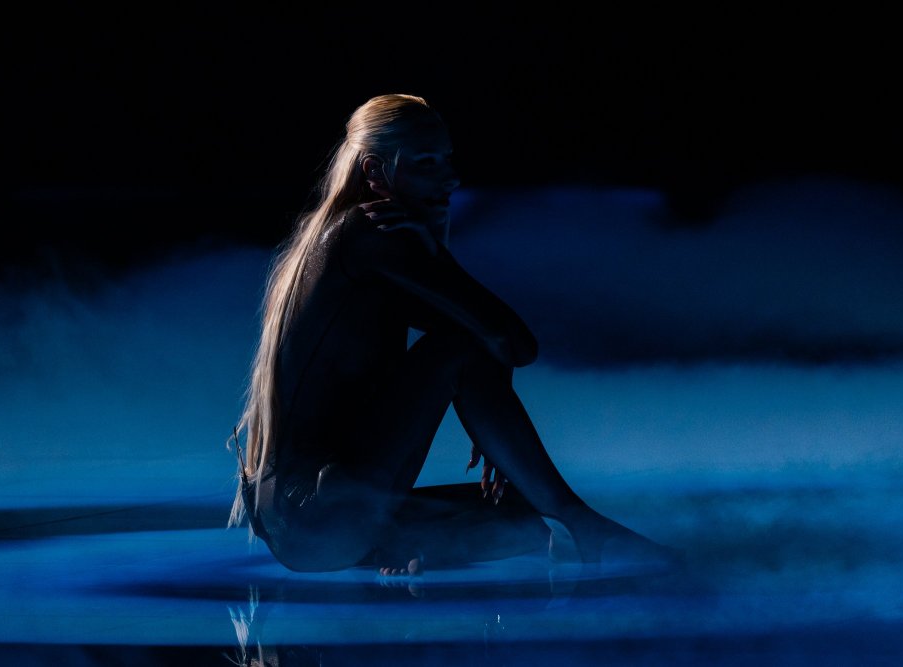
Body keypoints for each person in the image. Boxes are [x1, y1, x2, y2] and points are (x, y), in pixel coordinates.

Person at [228, 93, 680, 576]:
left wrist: (498, 439)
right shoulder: (368, 232)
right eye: (426, 163)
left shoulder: (340, 236)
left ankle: (403, 550)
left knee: (523, 517)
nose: (451, 178)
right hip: (320, 516)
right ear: (375, 171)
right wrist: (436, 255)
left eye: (447, 160)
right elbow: (513, 342)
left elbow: (489, 340)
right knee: (458, 350)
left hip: (307, 523)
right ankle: (583, 523)